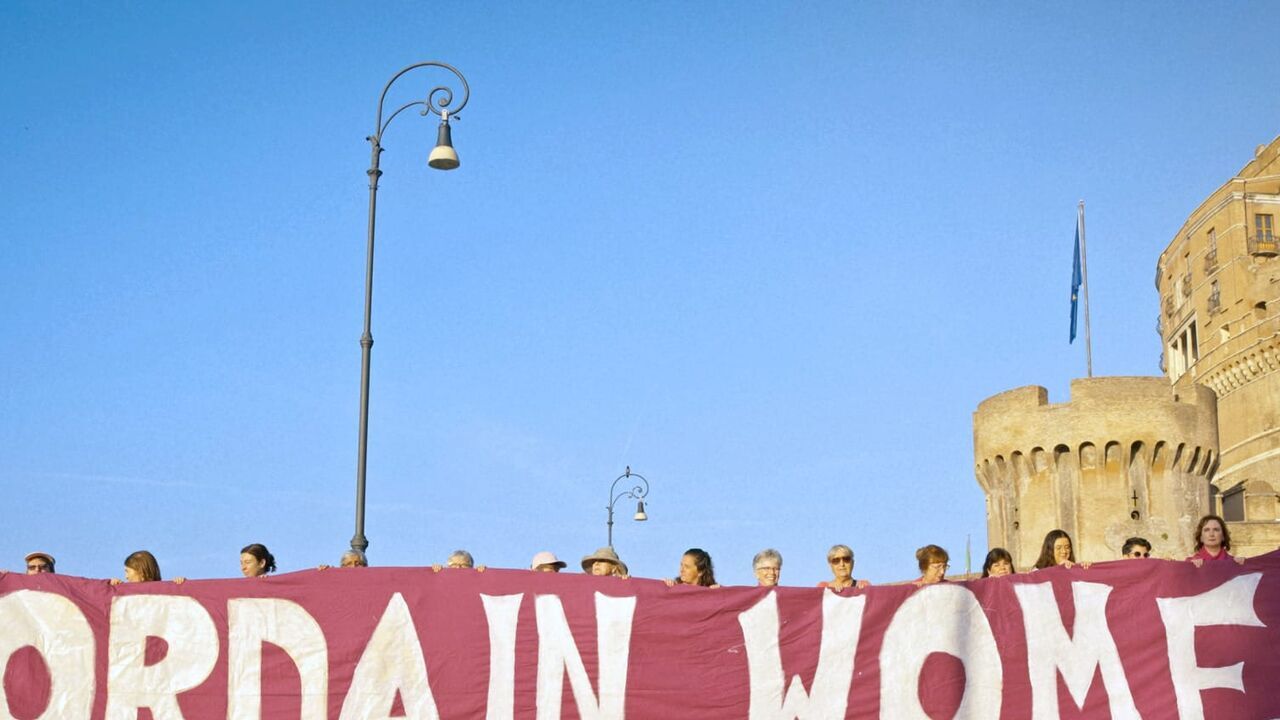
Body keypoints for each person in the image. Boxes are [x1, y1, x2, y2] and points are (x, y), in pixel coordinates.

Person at [111, 550, 183, 585]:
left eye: (127, 571)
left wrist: (180, 584)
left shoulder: (163, 593)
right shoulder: (125, 594)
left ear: (141, 572)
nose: (126, 577)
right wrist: (115, 587)